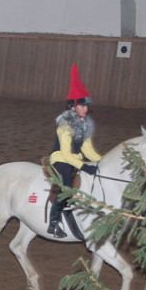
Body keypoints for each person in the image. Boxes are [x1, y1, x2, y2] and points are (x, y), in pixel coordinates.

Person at [47, 64, 102, 238]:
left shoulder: (85, 124)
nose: (86, 109)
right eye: (83, 106)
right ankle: (53, 223)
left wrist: (102, 161)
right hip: (61, 159)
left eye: (87, 106)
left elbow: (88, 149)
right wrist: (85, 167)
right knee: (66, 185)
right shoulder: (64, 125)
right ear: (73, 106)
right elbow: (65, 153)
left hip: (75, 159)